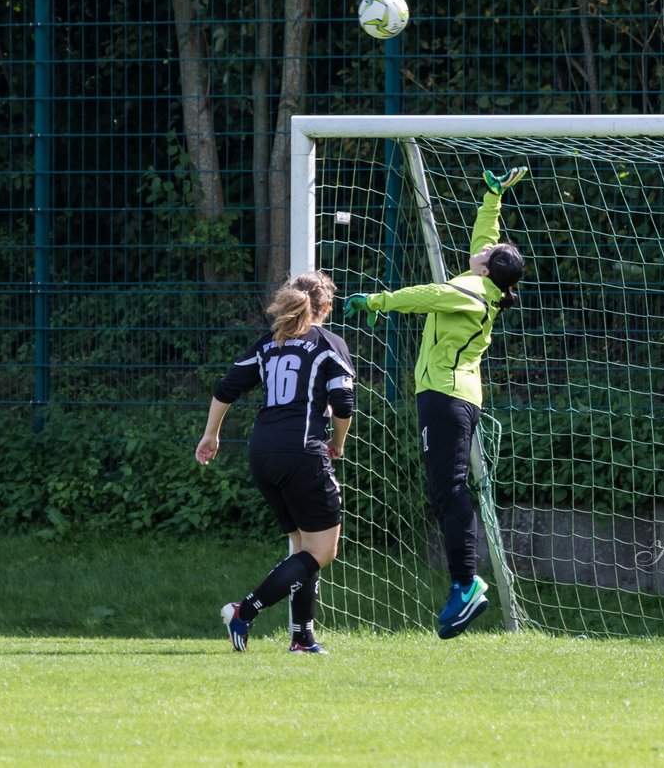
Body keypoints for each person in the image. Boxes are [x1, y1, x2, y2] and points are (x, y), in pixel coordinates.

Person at [342, 167, 527, 639]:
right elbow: (488, 241)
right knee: (451, 491)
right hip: (457, 396)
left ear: (486, 269)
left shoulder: (466, 291)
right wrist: (492, 197)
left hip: (444, 399)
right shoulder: (487, 284)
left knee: (451, 492)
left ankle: (466, 584)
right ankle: (466, 583)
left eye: (485, 254)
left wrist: (375, 302)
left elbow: (428, 294)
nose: (481, 249)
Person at [196, 271, 355, 653]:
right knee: (322, 552)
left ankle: (301, 637)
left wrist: (211, 435)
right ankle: (244, 610)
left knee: (303, 548)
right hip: (302, 453)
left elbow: (226, 388)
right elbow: (345, 405)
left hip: (262, 454)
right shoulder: (329, 344)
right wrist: (337, 442)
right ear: (326, 308)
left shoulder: (269, 343)